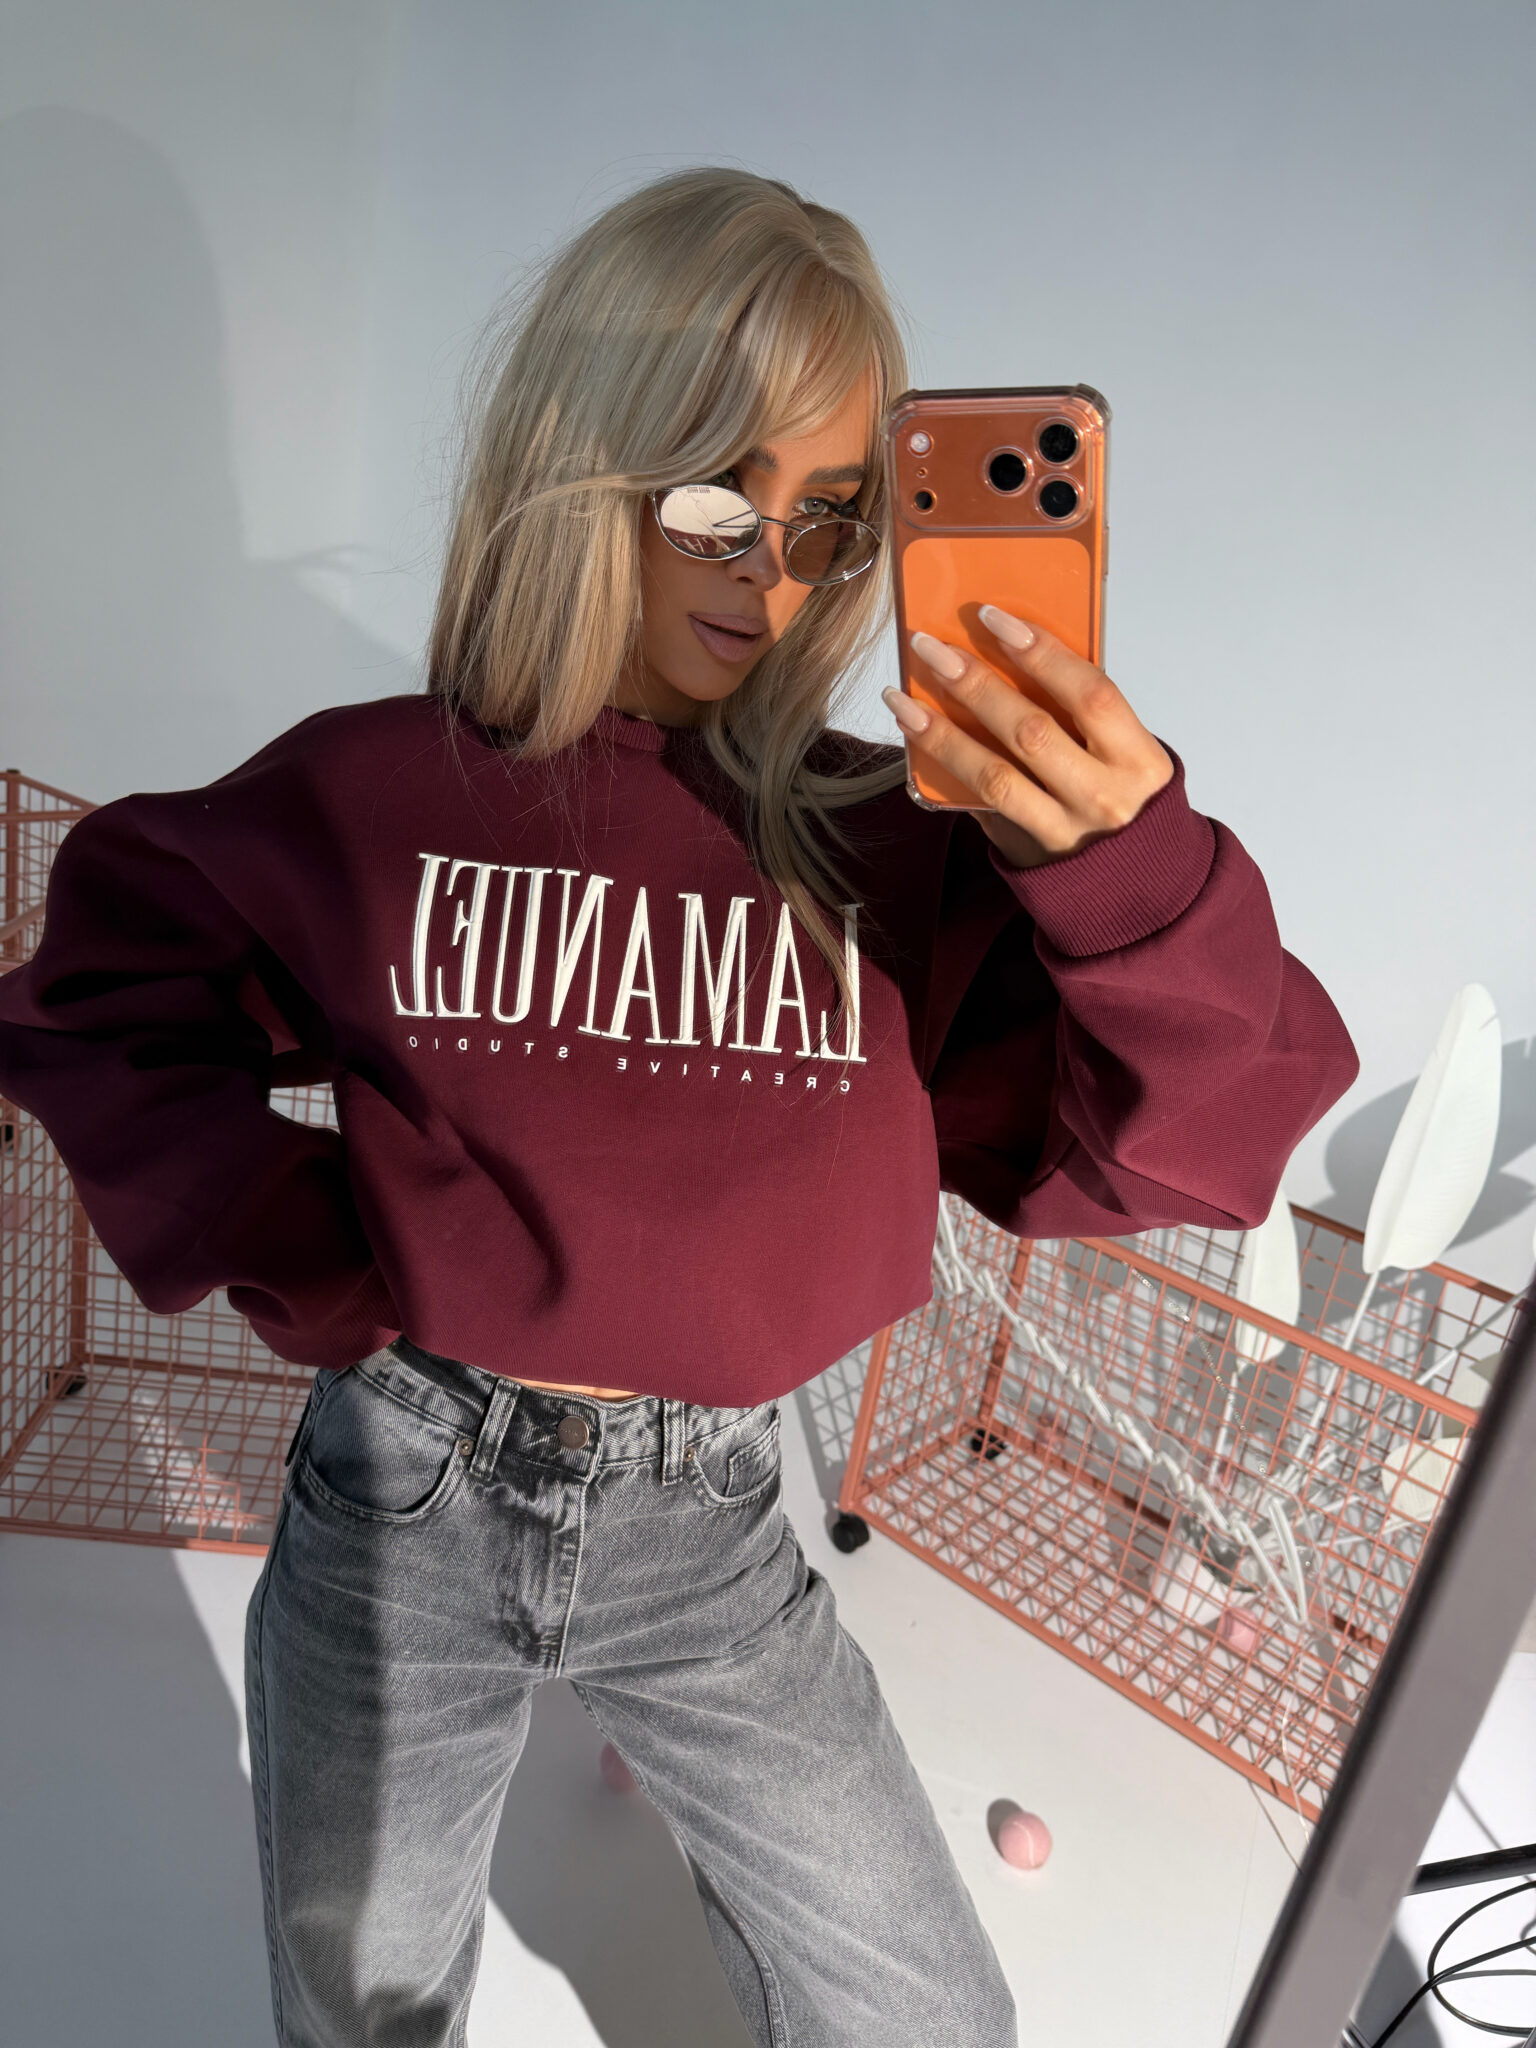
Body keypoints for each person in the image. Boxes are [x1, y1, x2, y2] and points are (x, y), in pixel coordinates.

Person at [0, 166, 1357, 2048]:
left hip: (707, 1532)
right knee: (360, 2014)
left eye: (833, 518)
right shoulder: (375, 795)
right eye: (720, 497)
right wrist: (322, 1258)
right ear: (589, 456)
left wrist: (1122, 870)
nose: (775, 572)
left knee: (933, 2028)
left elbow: (1195, 1144)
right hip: (404, 1497)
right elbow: (99, 994)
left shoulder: (885, 847)